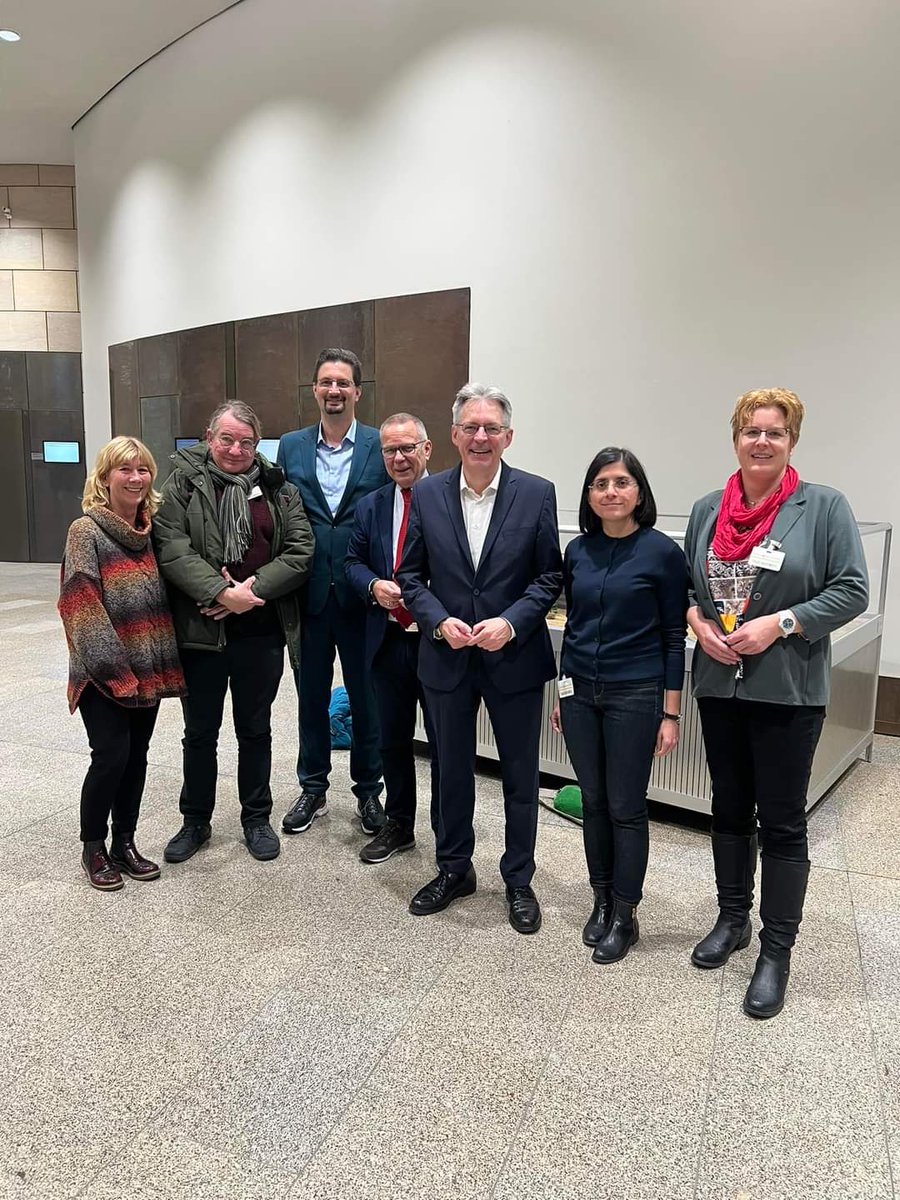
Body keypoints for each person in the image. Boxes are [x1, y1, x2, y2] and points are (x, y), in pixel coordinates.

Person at [685, 387, 868, 1018]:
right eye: (751, 431)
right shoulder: (708, 510)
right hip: (720, 685)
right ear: (735, 438)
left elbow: (852, 591)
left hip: (788, 690)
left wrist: (782, 623)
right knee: (729, 807)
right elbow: (689, 589)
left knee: (783, 821)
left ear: (792, 440)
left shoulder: (823, 507)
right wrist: (698, 623)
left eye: (775, 432)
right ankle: (732, 919)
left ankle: (776, 951)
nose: (761, 442)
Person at [398, 383, 563, 934]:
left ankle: (518, 879)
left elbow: (550, 576)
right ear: (454, 435)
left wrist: (511, 622)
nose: (481, 436)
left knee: (519, 774)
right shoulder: (427, 494)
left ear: (508, 436)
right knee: (450, 770)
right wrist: (436, 619)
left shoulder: (537, 493)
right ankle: (454, 869)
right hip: (446, 657)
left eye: (492, 428)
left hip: (513, 657)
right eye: (471, 427)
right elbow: (410, 576)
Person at [153, 401, 314, 863]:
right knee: (200, 732)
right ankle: (195, 822)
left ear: (257, 444)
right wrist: (221, 593)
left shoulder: (279, 487)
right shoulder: (183, 483)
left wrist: (251, 590)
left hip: (261, 632)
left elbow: (300, 550)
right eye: (226, 439)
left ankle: (256, 819)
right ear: (209, 438)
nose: (236, 449)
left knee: (255, 729)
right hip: (201, 632)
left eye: (246, 441)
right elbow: (171, 546)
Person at [550, 448, 688, 963]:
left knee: (626, 807)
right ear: (589, 495)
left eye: (622, 482)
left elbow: (674, 637)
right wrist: (563, 691)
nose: (611, 491)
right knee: (593, 801)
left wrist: (670, 714)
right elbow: (573, 626)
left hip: (636, 693)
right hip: (580, 694)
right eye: (601, 483)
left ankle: (626, 914)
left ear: (639, 492)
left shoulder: (661, 553)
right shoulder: (577, 551)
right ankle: (602, 899)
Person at [58, 437, 185, 891]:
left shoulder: (150, 534)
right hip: (103, 675)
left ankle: (124, 842)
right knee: (110, 757)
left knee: (136, 758)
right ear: (105, 477)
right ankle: (93, 847)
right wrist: (115, 672)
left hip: (147, 670)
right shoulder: (86, 531)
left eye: (143, 469)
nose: (135, 478)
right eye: (124, 469)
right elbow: (80, 605)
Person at [277, 348, 389, 839]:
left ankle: (368, 791)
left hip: (363, 596)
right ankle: (313, 788)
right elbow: (281, 514)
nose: (334, 390)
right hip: (309, 596)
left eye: (343, 382)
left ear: (357, 391)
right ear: (315, 390)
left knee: (367, 698)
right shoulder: (291, 446)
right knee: (310, 697)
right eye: (326, 382)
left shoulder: (380, 445)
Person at [345, 413, 440, 864]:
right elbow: (352, 561)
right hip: (386, 641)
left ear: (427, 449)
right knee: (392, 741)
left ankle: (449, 834)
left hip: (437, 643)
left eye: (407, 448)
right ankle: (399, 824)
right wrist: (372, 585)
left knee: (444, 744)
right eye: (390, 450)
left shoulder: (450, 499)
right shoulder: (372, 505)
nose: (399, 458)